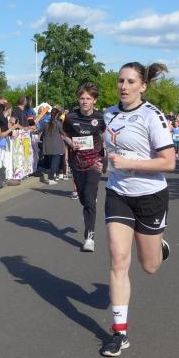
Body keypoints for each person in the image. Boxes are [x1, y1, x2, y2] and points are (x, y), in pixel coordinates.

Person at [101, 62, 176, 357]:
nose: (124, 86)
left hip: (150, 196)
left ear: (143, 86)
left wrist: (130, 163)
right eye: (121, 80)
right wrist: (103, 162)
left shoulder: (152, 116)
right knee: (119, 260)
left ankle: (159, 247)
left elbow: (169, 162)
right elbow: (111, 149)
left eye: (131, 81)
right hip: (118, 193)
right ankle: (119, 333)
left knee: (150, 266)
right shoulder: (109, 114)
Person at [64, 83, 106, 252]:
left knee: (88, 199)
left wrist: (105, 159)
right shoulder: (71, 117)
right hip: (77, 162)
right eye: (82, 98)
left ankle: (89, 237)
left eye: (88, 98)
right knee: (83, 198)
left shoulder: (101, 118)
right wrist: (70, 142)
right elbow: (64, 134)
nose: (85, 101)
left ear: (94, 100)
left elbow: (108, 137)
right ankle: (89, 201)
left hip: (94, 163)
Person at [38, 107, 68, 185]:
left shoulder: (45, 123)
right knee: (54, 163)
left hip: (47, 146)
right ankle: (51, 179)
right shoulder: (58, 123)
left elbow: (38, 131)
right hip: (57, 146)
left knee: (51, 162)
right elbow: (63, 133)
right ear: (57, 115)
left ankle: (52, 176)